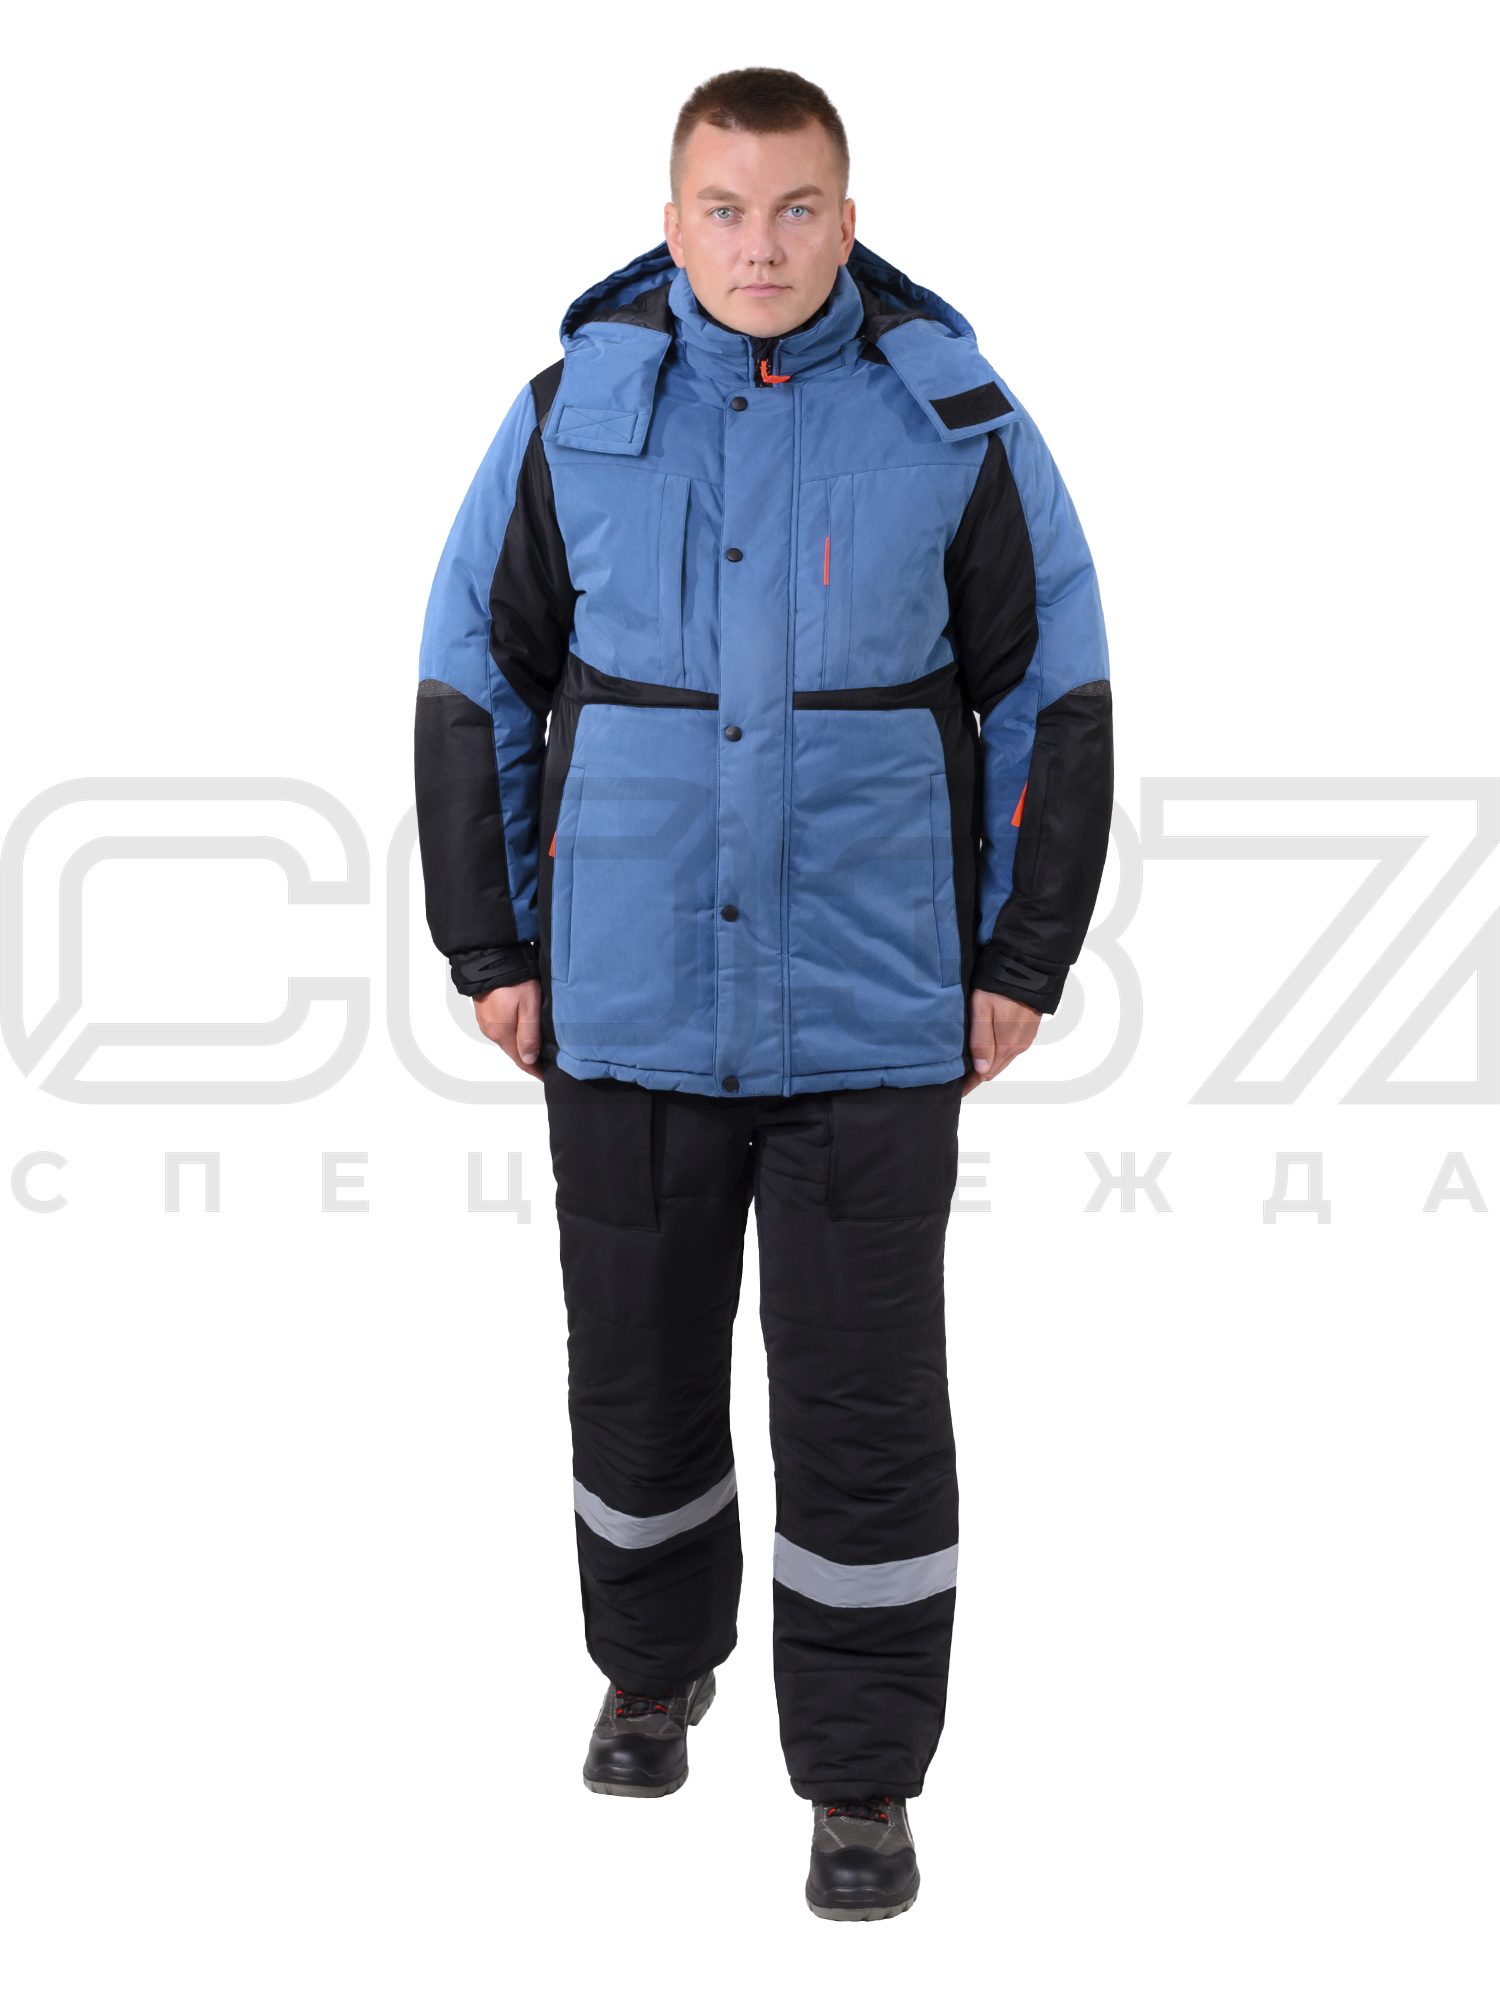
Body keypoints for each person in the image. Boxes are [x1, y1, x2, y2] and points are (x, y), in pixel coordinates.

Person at [414, 66, 1112, 1921]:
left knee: (866, 1401)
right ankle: (652, 1669)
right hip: (626, 995)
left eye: (796, 208)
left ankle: (863, 1776)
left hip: (872, 1010)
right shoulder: (571, 414)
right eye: (723, 210)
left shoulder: (953, 419)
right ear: (672, 222)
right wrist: (492, 947)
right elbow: (472, 674)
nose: (760, 246)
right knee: (634, 1364)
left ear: (848, 218)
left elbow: (1054, 690)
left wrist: (1019, 958)